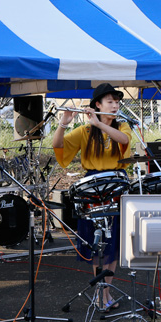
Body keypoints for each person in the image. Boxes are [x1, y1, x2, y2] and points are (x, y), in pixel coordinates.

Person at [53, 83, 132, 309]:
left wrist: (99, 123)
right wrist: (62, 124)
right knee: (97, 242)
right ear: (97, 105)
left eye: (117, 102)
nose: (115, 105)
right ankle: (100, 294)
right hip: (93, 189)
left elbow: (124, 140)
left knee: (113, 241)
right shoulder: (85, 131)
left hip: (115, 187)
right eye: (110, 102)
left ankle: (107, 291)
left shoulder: (122, 125)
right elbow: (59, 147)